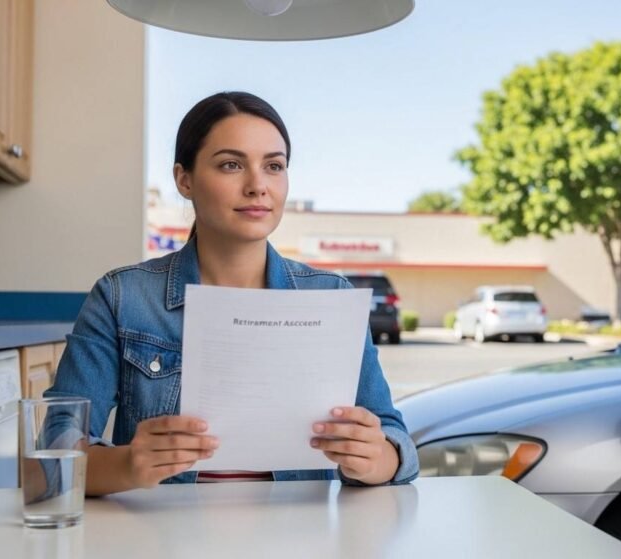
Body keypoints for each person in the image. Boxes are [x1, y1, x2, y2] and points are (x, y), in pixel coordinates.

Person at [46, 92, 418, 496]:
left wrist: (375, 457)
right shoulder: (122, 296)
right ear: (184, 179)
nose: (258, 186)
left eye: (274, 166)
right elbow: (53, 449)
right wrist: (127, 464)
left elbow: (396, 442)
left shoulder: (330, 296)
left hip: (300, 537)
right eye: (231, 165)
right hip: (159, 538)